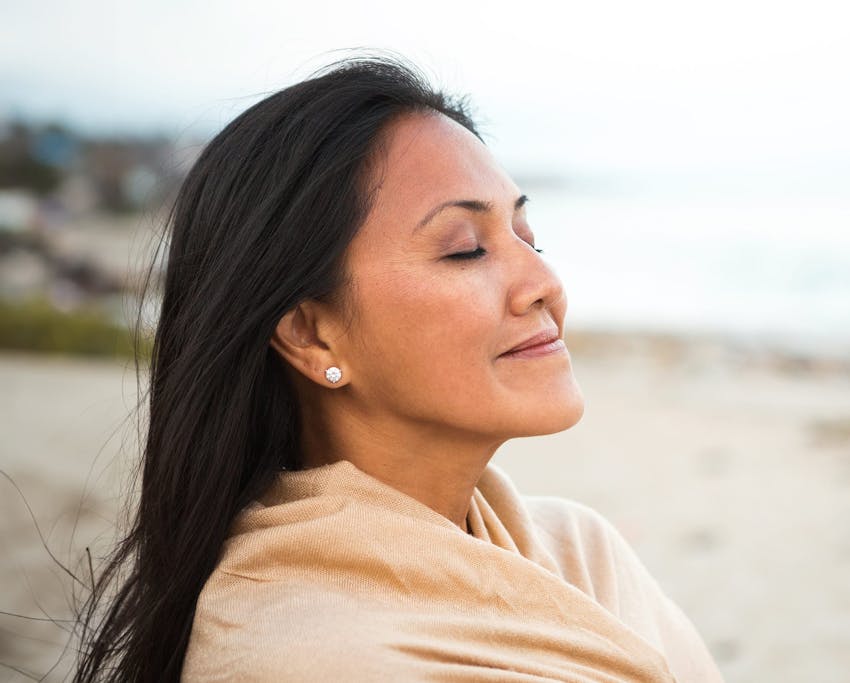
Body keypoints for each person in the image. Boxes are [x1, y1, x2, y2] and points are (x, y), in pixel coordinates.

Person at [75, 55, 724, 682]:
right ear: (310, 334)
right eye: (466, 250)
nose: (544, 283)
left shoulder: (582, 553)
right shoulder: (298, 658)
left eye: (528, 238)